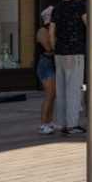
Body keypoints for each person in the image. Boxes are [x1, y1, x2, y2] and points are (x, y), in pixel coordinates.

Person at [50, 0, 89, 136]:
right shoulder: (80, 6)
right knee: (73, 90)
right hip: (75, 53)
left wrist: (55, 48)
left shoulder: (56, 9)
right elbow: (89, 25)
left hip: (59, 53)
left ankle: (60, 123)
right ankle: (72, 125)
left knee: (61, 90)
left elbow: (52, 33)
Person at [36, 7, 57, 135]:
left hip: (51, 63)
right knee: (49, 95)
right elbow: (49, 47)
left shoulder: (51, 30)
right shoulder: (42, 31)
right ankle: (43, 124)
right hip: (45, 64)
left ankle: (49, 122)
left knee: (53, 95)